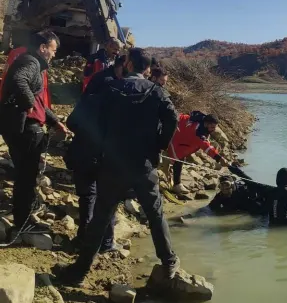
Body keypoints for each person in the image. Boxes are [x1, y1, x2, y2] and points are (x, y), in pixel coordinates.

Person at [54, 48, 180, 285]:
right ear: (148, 69)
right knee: (155, 214)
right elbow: (172, 118)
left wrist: (100, 142)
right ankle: (169, 262)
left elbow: (81, 118)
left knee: (101, 216)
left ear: (130, 64)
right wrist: (159, 145)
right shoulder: (156, 92)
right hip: (143, 165)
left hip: (112, 164)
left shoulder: (112, 89)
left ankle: (80, 272)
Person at [0, 31, 69, 237]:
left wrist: (55, 121)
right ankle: (22, 221)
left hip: (21, 127)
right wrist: (28, 103)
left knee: (24, 175)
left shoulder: (31, 63)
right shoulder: (31, 63)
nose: (54, 55)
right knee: (26, 177)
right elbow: (19, 81)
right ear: (43, 48)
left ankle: (22, 213)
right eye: (53, 50)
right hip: (25, 129)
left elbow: (39, 102)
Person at [65, 54, 127, 253]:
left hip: (82, 153)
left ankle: (84, 237)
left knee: (87, 197)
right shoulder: (118, 105)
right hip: (104, 157)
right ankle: (106, 243)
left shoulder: (88, 100)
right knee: (107, 199)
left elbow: (71, 122)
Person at [160, 111, 230, 194]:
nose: (213, 130)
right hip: (173, 137)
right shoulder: (198, 133)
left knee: (181, 158)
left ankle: (172, 179)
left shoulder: (200, 119)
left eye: (215, 127)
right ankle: (176, 185)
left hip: (179, 133)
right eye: (212, 127)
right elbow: (207, 148)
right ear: (206, 124)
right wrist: (219, 158)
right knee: (178, 160)